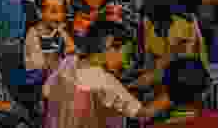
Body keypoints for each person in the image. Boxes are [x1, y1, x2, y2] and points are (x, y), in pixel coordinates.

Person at [43, 21, 173, 128]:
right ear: (109, 44)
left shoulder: (67, 62)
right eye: (125, 54)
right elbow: (143, 114)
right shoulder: (106, 81)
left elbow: (46, 91)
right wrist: (174, 93)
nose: (124, 62)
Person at [25, 0, 75, 84]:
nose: (59, 16)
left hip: (54, 75)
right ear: (40, 13)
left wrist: (63, 33)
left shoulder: (58, 31)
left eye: (62, 11)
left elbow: (72, 49)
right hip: (37, 78)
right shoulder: (33, 34)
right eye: (54, 12)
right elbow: (39, 64)